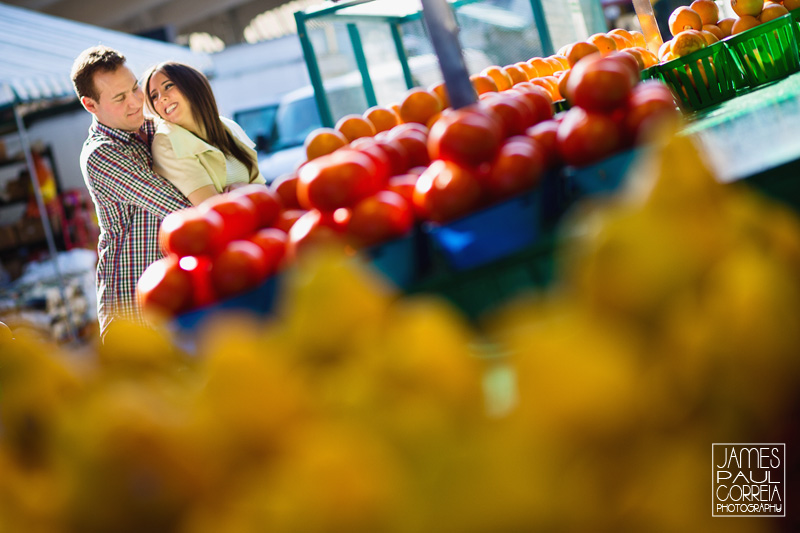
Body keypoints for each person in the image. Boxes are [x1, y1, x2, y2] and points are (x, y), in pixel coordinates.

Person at [71, 46, 192, 338]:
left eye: (135, 87)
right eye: (119, 98)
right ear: (91, 105)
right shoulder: (102, 155)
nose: (137, 102)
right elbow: (179, 207)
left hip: (169, 296)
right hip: (131, 310)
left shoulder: (149, 129)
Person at [143, 61, 266, 206]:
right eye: (154, 96)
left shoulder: (228, 126)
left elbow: (263, 192)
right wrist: (248, 193)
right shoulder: (167, 142)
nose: (161, 98)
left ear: (192, 85)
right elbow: (213, 209)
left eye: (168, 86)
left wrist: (242, 191)